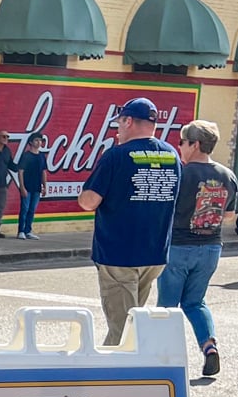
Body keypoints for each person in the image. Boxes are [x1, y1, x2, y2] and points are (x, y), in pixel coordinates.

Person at [77, 98, 179, 346]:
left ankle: (113, 379)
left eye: (119, 123)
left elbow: (89, 201)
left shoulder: (116, 155)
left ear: (129, 121)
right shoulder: (171, 155)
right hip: (154, 253)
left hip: (119, 254)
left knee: (122, 330)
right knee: (133, 321)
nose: (117, 129)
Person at [157, 120, 237, 378]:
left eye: (182, 142)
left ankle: (162, 359)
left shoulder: (182, 173)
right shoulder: (228, 175)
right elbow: (230, 216)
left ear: (195, 144)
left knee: (168, 306)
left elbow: (164, 209)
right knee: (195, 302)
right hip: (211, 246)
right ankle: (209, 346)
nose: (179, 147)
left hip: (180, 245)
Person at [14, 131, 49, 239]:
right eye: (36, 140)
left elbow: (43, 172)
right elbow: (20, 172)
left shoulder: (42, 156)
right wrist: (22, 187)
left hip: (37, 187)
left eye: (40, 140)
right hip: (27, 187)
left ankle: (28, 230)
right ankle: (21, 231)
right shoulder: (26, 156)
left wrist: (44, 186)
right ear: (31, 142)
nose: (39, 142)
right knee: (24, 209)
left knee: (32, 210)